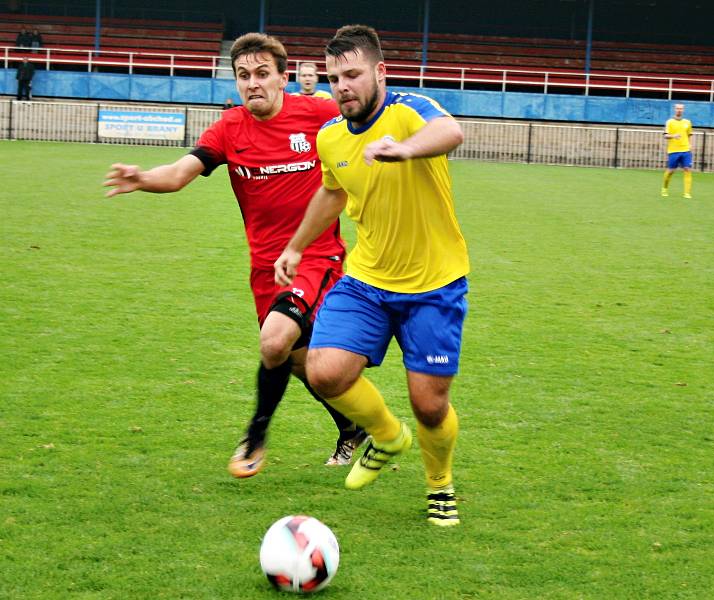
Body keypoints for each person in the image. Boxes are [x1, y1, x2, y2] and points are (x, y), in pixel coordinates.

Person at [103, 33, 366, 479]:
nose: (253, 84)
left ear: (284, 78)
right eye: (243, 76)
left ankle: (256, 435)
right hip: (264, 268)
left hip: (315, 257)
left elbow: (367, 123)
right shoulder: (229, 128)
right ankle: (353, 425)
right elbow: (181, 172)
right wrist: (143, 178)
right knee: (301, 361)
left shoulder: (320, 114)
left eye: (263, 74)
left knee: (274, 341)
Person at [275, 25, 469, 527]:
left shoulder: (410, 111)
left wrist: (402, 150)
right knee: (325, 371)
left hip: (435, 284)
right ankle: (385, 436)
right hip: (367, 280)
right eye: (335, 77)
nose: (343, 86)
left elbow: (451, 132)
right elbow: (333, 193)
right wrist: (296, 246)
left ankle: (439, 483)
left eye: (354, 74)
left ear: (380, 72)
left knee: (430, 406)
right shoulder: (330, 135)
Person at [661, 103, 693, 199]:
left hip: (686, 150)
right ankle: (664, 188)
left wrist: (690, 145)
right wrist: (673, 136)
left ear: (683, 110)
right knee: (671, 171)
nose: (679, 110)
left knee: (687, 169)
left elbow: (689, 135)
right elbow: (665, 135)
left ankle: (687, 193)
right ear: (675, 109)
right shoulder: (669, 122)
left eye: (681, 109)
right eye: (678, 108)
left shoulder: (687, 122)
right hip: (674, 150)